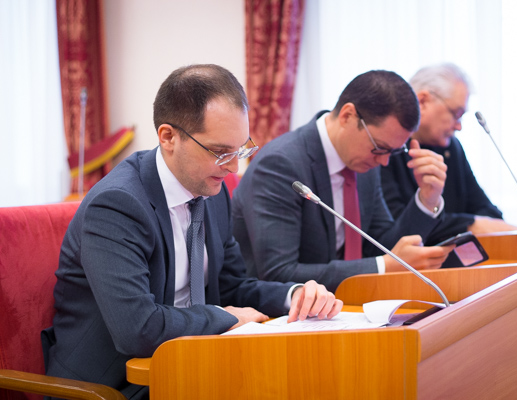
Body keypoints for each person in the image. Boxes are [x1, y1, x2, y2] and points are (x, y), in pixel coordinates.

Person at [44, 64, 343, 399]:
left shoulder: (211, 191)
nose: (234, 168)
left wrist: (294, 296)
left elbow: (231, 286)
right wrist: (222, 318)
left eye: (241, 150)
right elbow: (137, 329)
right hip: (115, 383)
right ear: (168, 137)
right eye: (221, 152)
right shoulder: (117, 205)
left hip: (193, 363)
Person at [232, 70, 454, 293]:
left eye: (393, 152)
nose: (384, 161)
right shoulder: (280, 164)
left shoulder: (364, 162)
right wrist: (384, 266)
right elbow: (279, 273)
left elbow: (382, 246)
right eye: (380, 148)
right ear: (348, 116)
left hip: (344, 304)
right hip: (274, 309)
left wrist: (427, 199)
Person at [380, 63, 517, 245]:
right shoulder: (384, 149)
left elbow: (487, 212)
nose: (459, 126)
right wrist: (468, 225)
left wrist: (466, 224)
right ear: (423, 101)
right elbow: (395, 229)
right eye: (456, 114)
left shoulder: (452, 147)